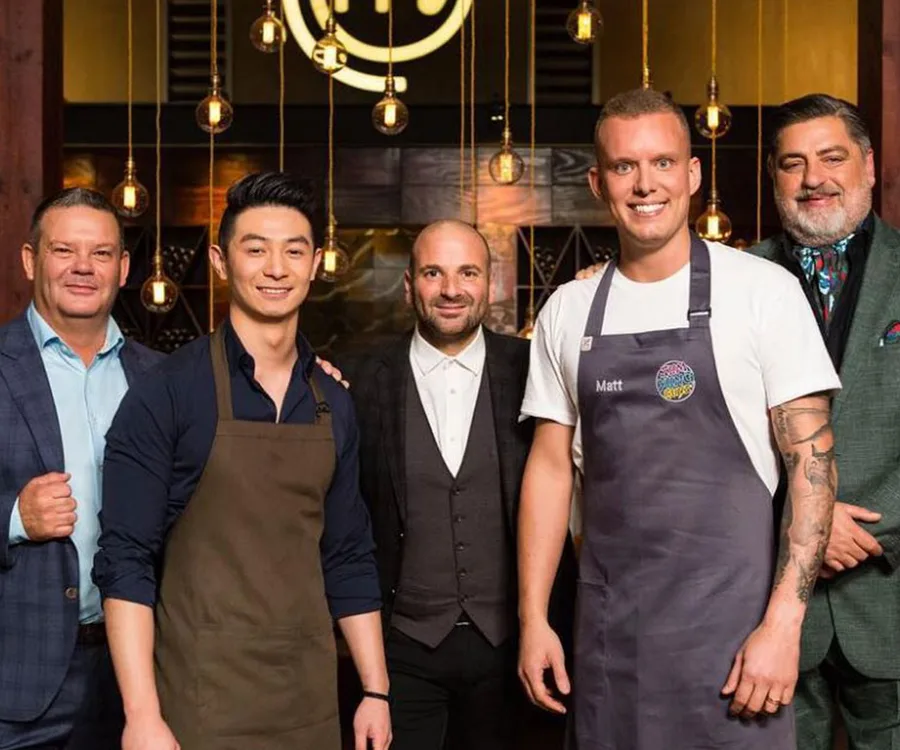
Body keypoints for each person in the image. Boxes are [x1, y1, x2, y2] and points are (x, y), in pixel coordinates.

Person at [516, 87, 841, 749]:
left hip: (737, 652)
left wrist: (783, 628)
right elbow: (550, 472)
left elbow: (813, 466)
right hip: (611, 649)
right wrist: (532, 618)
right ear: (598, 183)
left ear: (692, 175)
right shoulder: (568, 312)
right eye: (624, 167)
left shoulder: (762, 293)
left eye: (663, 163)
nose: (645, 185)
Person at [93, 172, 392, 750]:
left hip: (309, 700)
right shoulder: (168, 393)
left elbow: (349, 554)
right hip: (198, 701)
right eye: (254, 249)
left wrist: (375, 691)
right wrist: (142, 716)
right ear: (222, 260)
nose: (275, 268)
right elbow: (125, 559)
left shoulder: (334, 401)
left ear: (315, 264)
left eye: (293, 250)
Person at [348, 219, 576, 750]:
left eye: (467, 272)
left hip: (518, 646)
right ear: (409, 286)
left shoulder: (534, 370)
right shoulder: (357, 380)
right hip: (401, 649)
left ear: (490, 285)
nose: (451, 289)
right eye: (434, 272)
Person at [750, 94, 900, 749]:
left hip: (889, 591)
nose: (814, 178)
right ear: (774, 178)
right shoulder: (736, 284)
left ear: (869, 165)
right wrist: (810, 514)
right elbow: (714, 440)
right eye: (793, 163)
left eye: (832, 157)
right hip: (772, 609)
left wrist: (863, 525)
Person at [0, 188, 163, 749]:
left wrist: (317, 374)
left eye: (100, 254)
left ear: (123, 267)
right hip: (18, 683)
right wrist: (14, 517)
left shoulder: (162, 379)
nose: (82, 268)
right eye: (64, 250)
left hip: (143, 677)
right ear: (30, 260)